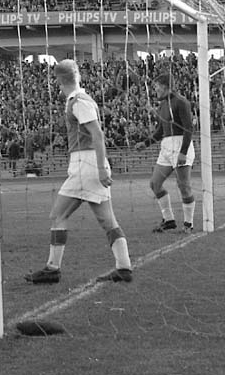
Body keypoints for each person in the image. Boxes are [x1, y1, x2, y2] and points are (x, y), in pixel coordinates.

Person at [25, 59, 133, 284]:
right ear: (78, 77)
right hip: (89, 164)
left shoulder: (78, 102)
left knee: (58, 215)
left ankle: (53, 268)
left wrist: (102, 167)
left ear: (58, 81)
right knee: (107, 220)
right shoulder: (81, 99)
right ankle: (124, 267)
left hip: (86, 165)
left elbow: (98, 134)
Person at [135, 72, 196, 233]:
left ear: (165, 87)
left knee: (183, 186)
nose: (155, 90)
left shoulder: (181, 102)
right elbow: (160, 130)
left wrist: (183, 152)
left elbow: (188, 128)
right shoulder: (162, 105)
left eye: (156, 87)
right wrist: (145, 143)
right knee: (155, 184)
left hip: (180, 143)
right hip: (167, 146)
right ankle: (169, 220)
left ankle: (188, 224)